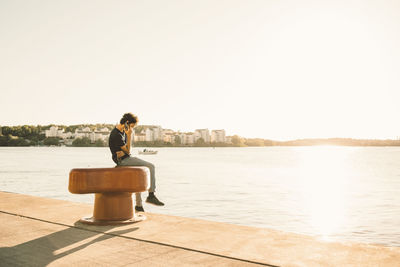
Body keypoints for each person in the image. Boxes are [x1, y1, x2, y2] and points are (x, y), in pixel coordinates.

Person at [108, 112, 164, 212]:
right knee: (151, 166)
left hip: (125, 158)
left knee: (138, 176)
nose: (132, 129)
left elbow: (126, 151)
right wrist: (129, 136)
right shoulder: (116, 134)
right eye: (132, 126)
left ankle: (138, 205)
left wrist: (126, 140)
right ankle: (151, 195)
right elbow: (128, 151)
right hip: (123, 161)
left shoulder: (122, 132)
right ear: (127, 122)